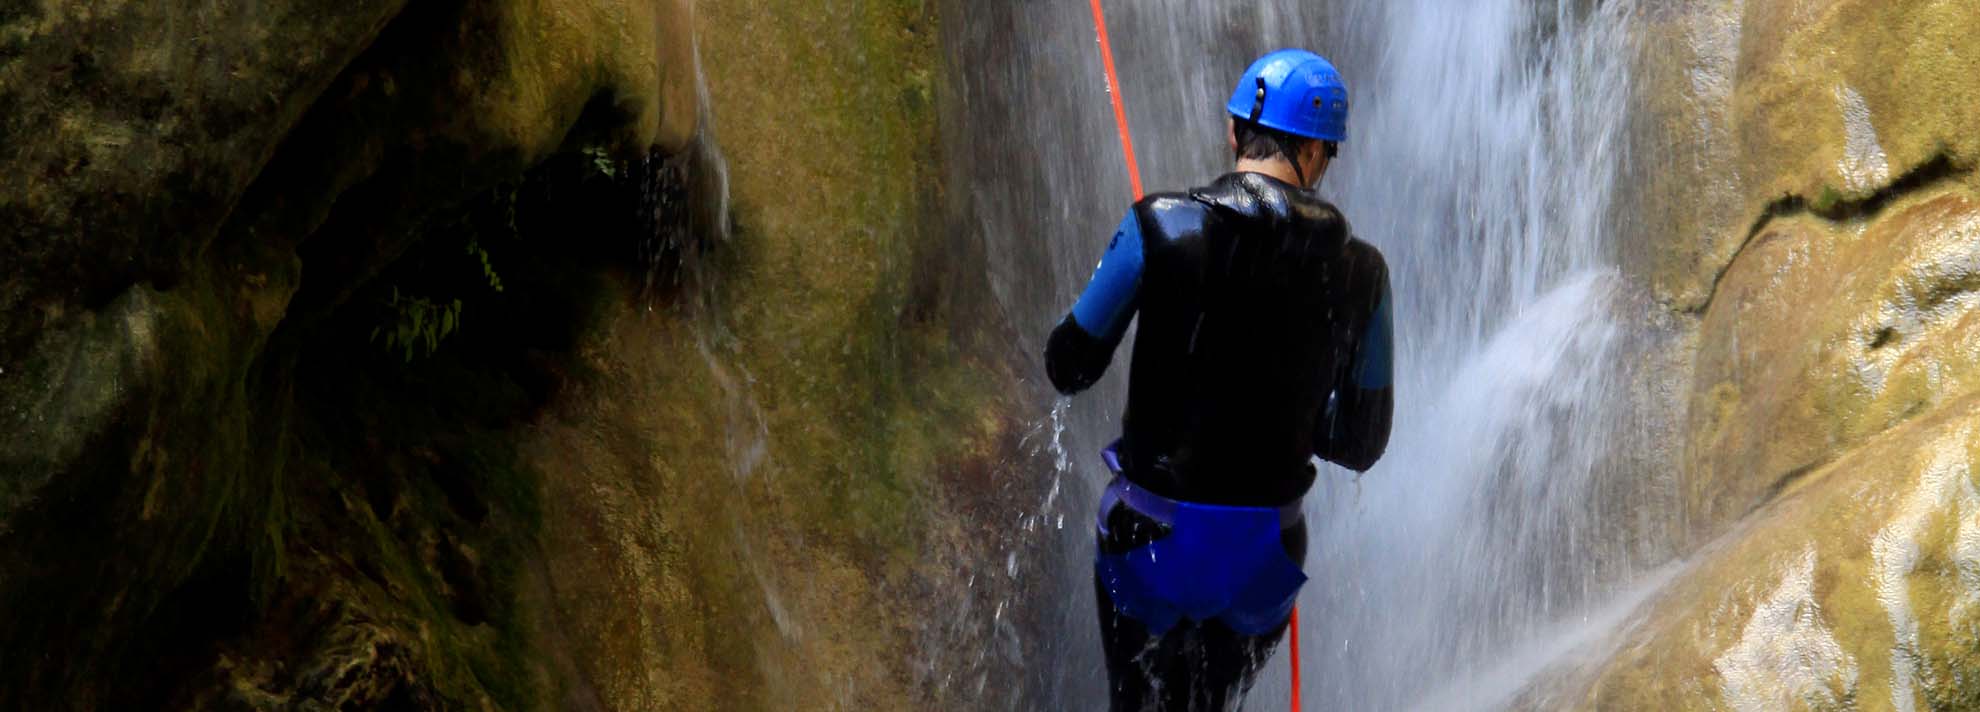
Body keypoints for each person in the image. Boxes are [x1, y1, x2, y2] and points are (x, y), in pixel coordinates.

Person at [1044, 49, 1395, 711]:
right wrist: (1289, 400)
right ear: (1319, 153)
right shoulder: (1365, 273)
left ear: (1235, 132)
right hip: (1264, 555)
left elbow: (1070, 365)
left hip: (1151, 543)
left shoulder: (1161, 225)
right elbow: (1360, 441)